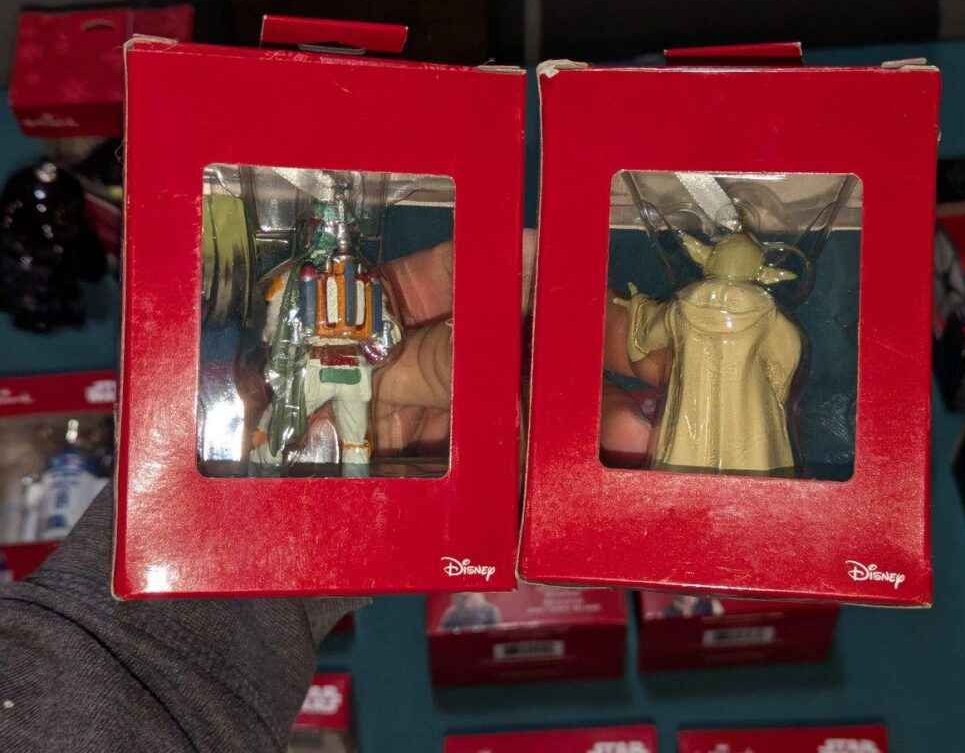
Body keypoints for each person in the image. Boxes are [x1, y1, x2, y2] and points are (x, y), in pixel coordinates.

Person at [0, 231, 666, 752]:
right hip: (308, 376)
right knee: (308, 427)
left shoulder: (357, 289)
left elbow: (380, 332)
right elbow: (279, 327)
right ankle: (322, 478)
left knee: (356, 439)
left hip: (351, 377)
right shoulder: (294, 283)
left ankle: (346, 482)